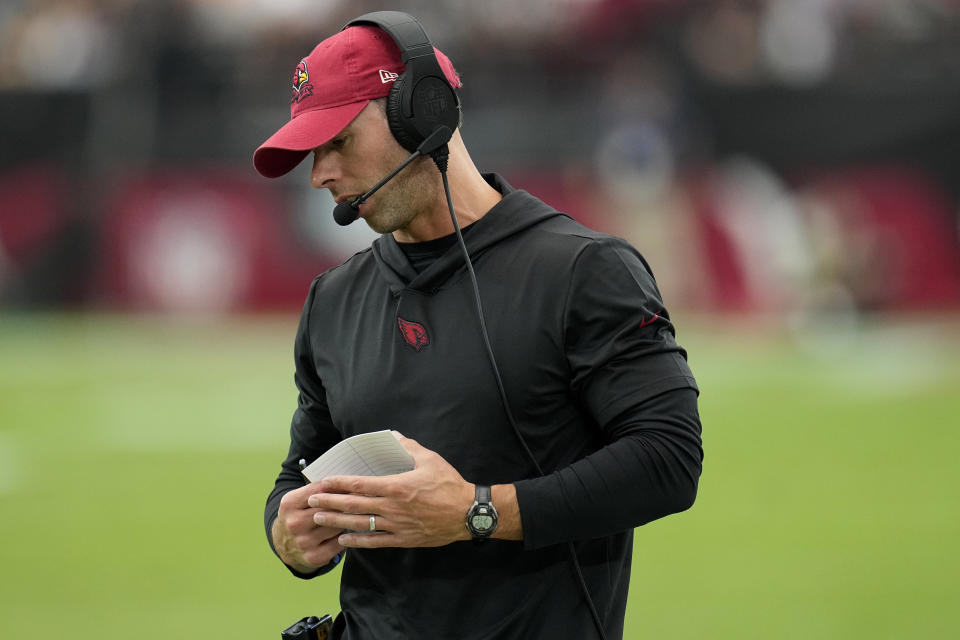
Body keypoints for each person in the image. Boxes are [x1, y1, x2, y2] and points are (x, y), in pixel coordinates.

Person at [254, 12, 703, 640]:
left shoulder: (582, 270)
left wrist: (478, 512)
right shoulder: (333, 299)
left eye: (338, 142)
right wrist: (289, 530)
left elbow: (668, 459)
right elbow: (302, 466)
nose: (319, 173)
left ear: (421, 114)